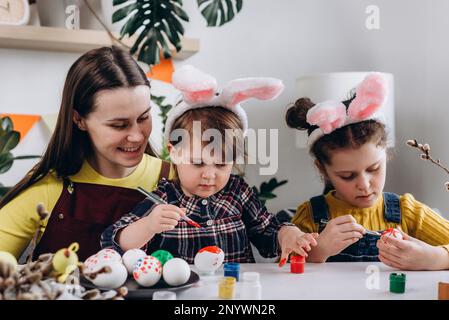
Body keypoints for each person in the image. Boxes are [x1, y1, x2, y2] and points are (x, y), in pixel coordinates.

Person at [101, 65, 318, 263]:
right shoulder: (165, 199)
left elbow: (268, 233)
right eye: (197, 163)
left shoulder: (238, 193)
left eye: (221, 164)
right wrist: (148, 226)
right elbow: (112, 241)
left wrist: (287, 234)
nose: (209, 174)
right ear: (174, 153)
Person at [0, 46, 171, 261]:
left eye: (144, 117)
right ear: (79, 119)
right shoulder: (49, 186)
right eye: (119, 125)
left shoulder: (176, 180)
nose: (137, 136)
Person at [287, 73, 449, 270]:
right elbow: (284, 267)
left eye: (374, 168)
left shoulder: (408, 212)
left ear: (386, 155)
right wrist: (318, 250)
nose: (364, 185)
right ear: (323, 170)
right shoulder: (310, 215)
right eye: (347, 176)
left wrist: (434, 258)